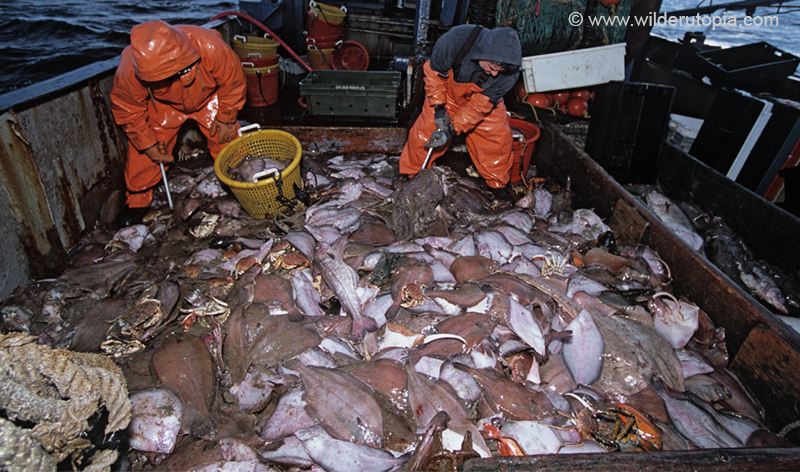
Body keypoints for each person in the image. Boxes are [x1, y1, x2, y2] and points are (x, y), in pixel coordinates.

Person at [111, 20, 246, 224]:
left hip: (210, 98)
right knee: (144, 155)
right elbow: (129, 111)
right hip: (164, 106)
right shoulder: (129, 71)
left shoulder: (211, 47)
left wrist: (226, 118)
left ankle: (239, 187)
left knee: (229, 143)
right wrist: (148, 144)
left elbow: (233, 81)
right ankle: (137, 201)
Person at [399, 25, 522, 202]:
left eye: (500, 70)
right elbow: (434, 76)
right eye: (493, 66)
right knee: (426, 133)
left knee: (496, 140)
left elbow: (480, 106)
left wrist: (452, 129)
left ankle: (498, 186)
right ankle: (412, 176)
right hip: (446, 93)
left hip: (482, 101)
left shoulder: (510, 73)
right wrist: (439, 110)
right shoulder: (454, 40)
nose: (495, 73)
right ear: (482, 52)